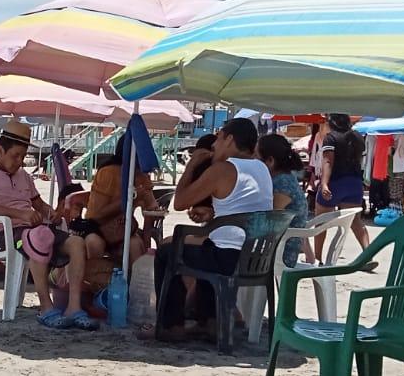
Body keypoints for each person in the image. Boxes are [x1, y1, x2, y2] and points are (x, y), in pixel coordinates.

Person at [155, 117, 272, 341]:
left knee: (166, 252)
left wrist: (191, 166)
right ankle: (209, 321)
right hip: (255, 256)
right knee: (206, 246)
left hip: (229, 257)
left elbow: (179, 202)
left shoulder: (223, 169)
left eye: (218, 139)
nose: (214, 146)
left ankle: (171, 326)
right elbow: (245, 209)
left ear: (229, 139)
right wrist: (214, 216)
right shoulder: (262, 169)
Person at [0, 119, 95, 330]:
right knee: (41, 237)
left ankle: (73, 307)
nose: (19, 161)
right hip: (5, 234)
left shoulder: (24, 177)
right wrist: (19, 213)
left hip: (33, 230)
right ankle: (45, 306)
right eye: (15, 156)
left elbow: (38, 204)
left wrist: (53, 214)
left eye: (22, 156)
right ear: (0, 150)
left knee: (75, 243)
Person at [83, 139, 159, 273]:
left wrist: (147, 240)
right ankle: (95, 284)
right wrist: (129, 199)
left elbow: (151, 208)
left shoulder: (141, 175)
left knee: (135, 245)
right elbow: (96, 216)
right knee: (94, 243)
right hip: (98, 228)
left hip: (124, 230)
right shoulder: (108, 172)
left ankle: (133, 287)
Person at [315, 113, 370, 254]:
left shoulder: (331, 137)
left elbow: (328, 161)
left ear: (331, 122)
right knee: (356, 221)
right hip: (354, 183)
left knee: (321, 222)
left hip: (336, 182)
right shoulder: (357, 136)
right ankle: (368, 254)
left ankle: (317, 258)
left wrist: (325, 183)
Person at [258, 132, 312, 266]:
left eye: (256, 157)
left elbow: (272, 220)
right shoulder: (286, 177)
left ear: (270, 161)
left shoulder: (282, 183)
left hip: (281, 254)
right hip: (282, 247)